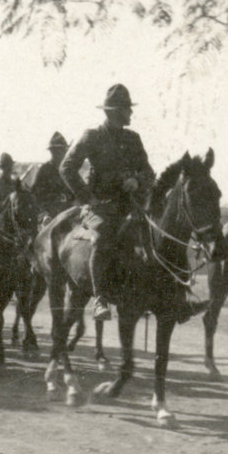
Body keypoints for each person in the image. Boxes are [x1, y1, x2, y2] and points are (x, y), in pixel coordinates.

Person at [60, 83, 155, 322]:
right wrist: (87, 198)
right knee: (102, 234)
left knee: (153, 235)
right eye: (127, 109)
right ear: (114, 111)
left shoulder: (134, 139)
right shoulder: (91, 136)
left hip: (130, 204)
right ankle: (100, 298)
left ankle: (162, 294)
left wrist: (136, 179)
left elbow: (149, 173)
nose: (131, 114)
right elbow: (66, 168)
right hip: (99, 206)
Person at [30, 131, 73, 221]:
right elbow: (34, 197)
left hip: (69, 214)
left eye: (62, 151)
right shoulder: (43, 170)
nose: (58, 154)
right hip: (50, 217)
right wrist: (44, 214)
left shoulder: (67, 170)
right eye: (54, 152)